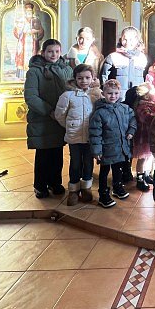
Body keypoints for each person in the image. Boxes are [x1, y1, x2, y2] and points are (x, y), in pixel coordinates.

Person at [23, 38, 73, 198]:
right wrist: (50, 111)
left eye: (57, 51)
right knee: (43, 154)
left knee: (57, 153)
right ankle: (40, 185)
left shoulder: (66, 69)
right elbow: (31, 97)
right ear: (43, 52)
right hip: (43, 119)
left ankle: (55, 182)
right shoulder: (34, 71)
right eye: (50, 51)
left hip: (60, 119)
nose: (54, 54)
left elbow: (72, 89)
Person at [54, 64, 101, 206]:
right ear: (75, 78)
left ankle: (86, 188)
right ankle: (73, 190)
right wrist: (70, 126)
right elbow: (60, 115)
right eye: (80, 78)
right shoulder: (67, 95)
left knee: (88, 163)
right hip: (74, 137)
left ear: (92, 78)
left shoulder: (96, 95)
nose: (84, 81)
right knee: (75, 163)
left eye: (87, 78)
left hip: (90, 137)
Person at [89, 79, 136, 208]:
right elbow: (95, 133)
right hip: (106, 149)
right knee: (104, 172)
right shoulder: (99, 112)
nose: (113, 96)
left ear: (119, 93)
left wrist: (131, 131)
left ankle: (117, 187)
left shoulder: (124, 108)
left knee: (118, 169)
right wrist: (97, 150)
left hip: (120, 148)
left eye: (116, 93)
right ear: (103, 93)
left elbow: (133, 118)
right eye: (109, 93)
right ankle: (103, 194)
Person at [100, 26, 148, 92]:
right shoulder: (113, 57)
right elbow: (104, 77)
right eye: (125, 39)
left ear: (137, 40)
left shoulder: (142, 58)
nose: (127, 42)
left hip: (136, 95)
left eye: (131, 39)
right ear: (121, 40)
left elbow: (145, 79)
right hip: (117, 95)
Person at [132, 82, 155, 191]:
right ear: (146, 95)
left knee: (149, 157)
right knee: (142, 158)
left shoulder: (152, 105)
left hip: (149, 136)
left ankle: (146, 174)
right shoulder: (142, 106)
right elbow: (147, 118)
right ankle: (140, 177)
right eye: (153, 91)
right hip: (143, 137)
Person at [13, 2, 45, 79]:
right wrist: (22, 31)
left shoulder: (36, 20)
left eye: (30, 11)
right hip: (24, 42)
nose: (29, 12)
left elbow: (41, 31)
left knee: (33, 55)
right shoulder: (21, 20)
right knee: (22, 56)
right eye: (27, 11)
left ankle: (33, 74)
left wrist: (36, 31)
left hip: (33, 41)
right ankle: (22, 75)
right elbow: (16, 31)